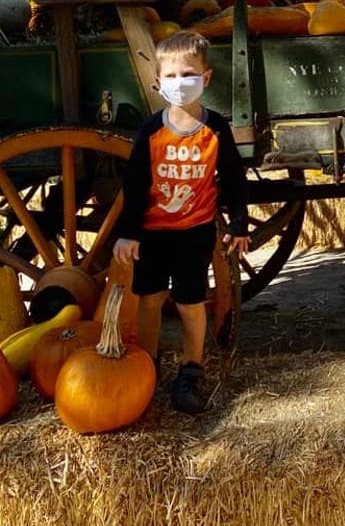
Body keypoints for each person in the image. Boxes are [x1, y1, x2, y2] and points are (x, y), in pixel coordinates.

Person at [113, 30, 248, 415]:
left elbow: (234, 179)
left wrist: (238, 225)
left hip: (194, 233)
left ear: (205, 78)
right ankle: (148, 363)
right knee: (150, 299)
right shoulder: (151, 131)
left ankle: (191, 370)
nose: (179, 83)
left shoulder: (215, 129)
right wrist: (128, 233)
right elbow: (135, 184)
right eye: (170, 76)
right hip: (153, 235)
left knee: (190, 302)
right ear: (158, 82)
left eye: (187, 74)